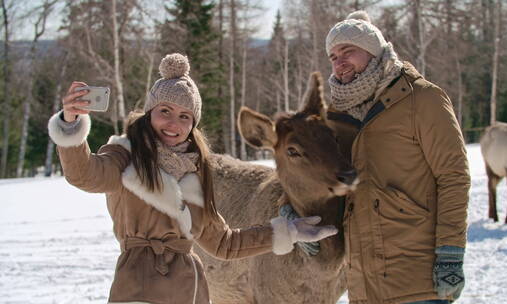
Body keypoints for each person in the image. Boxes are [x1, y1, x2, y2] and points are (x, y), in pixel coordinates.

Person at [47, 53, 337, 304]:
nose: (174, 123)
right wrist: (70, 123)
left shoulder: (195, 172)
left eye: (185, 116)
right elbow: (84, 174)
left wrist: (288, 232)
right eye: (165, 111)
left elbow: (225, 243)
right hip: (138, 288)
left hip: (191, 290)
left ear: (193, 123)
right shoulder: (126, 156)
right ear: (150, 113)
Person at [324, 11, 471, 304]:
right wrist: (303, 216)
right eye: (332, 56)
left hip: (417, 278)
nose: (339, 62)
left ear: (373, 51)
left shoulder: (422, 98)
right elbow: (325, 181)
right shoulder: (338, 116)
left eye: (348, 51)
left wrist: (451, 253)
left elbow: (454, 176)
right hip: (363, 283)